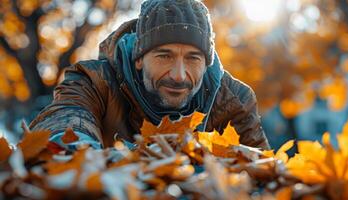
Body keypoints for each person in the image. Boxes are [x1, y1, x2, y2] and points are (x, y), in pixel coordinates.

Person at [29, 0, 270, 150]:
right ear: (138, 60)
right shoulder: (93, 81)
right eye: (164, 56)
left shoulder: (234, 100)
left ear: (206, 63)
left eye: (193, 58)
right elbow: (65, 120)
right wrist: (76, 148)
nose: (179, 75)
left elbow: (262, 169)